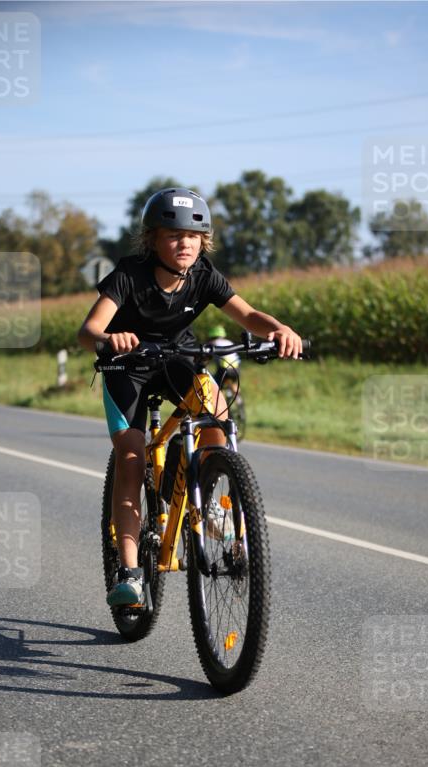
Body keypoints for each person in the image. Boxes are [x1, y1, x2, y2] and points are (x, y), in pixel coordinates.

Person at [78, 187, 301, 608]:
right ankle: (129, 573)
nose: (185, 244)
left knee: (217, 413)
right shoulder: (129, 275)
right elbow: (88, 331)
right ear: (153, 240)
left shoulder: (204, 275)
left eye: (194, 237)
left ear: (204, 242)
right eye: (174, 236)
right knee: (131, 458)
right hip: (127, 366)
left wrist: (278, 329)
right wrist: (112, 337)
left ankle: (209, 491)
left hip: (178, 359)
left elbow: (248, 315)